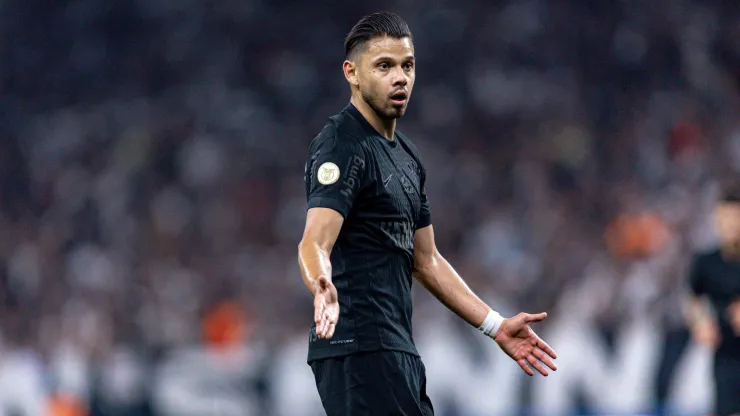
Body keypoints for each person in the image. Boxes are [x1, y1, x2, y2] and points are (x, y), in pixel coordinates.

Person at [297, 12, 557, 415]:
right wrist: (321, 284)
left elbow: (427, 260)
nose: (400, 77)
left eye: (407, 66)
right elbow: (314, 240)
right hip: (358, 345)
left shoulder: (407, 156)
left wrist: (494, 325)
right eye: (384, 66)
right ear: (351, 72)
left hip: (396, 346)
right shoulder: (341, 144)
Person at [687, 184, 740, 416]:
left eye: (734, 218)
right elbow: (694, 299)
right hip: (725, 356)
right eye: (724, 217)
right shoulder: (706, 262)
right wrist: (700, 323)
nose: (729, 225)